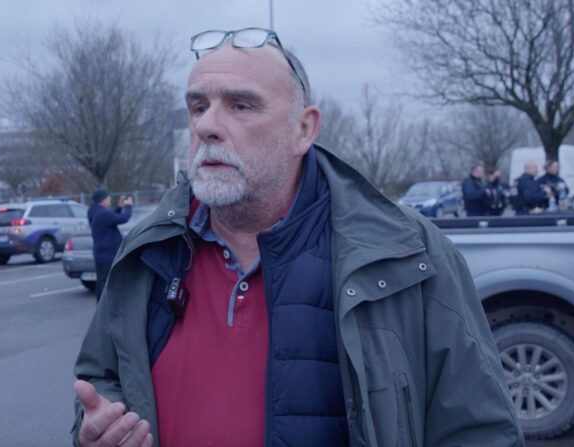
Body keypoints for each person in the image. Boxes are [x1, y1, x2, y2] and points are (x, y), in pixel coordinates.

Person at [72, 28, 523, 447]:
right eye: (198, 106)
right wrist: (96, 430)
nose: (206, 125)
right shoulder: (148, 251)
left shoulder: (409, 255)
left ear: (303, 129)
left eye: (240, 105)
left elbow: (479, 429)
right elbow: (100, 379)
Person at [87, 188, 132, 301]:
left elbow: (111, 219)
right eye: (108, 197)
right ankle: (103, 309)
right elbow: (123, 218)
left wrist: (119, 208)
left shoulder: (95, 212)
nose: (110, 199)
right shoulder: (102, 214)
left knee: (102, 282)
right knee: (106, 283)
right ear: (102, 200)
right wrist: (128, 206)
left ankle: (102, 308)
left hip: (101, 254)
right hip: (107, 255)